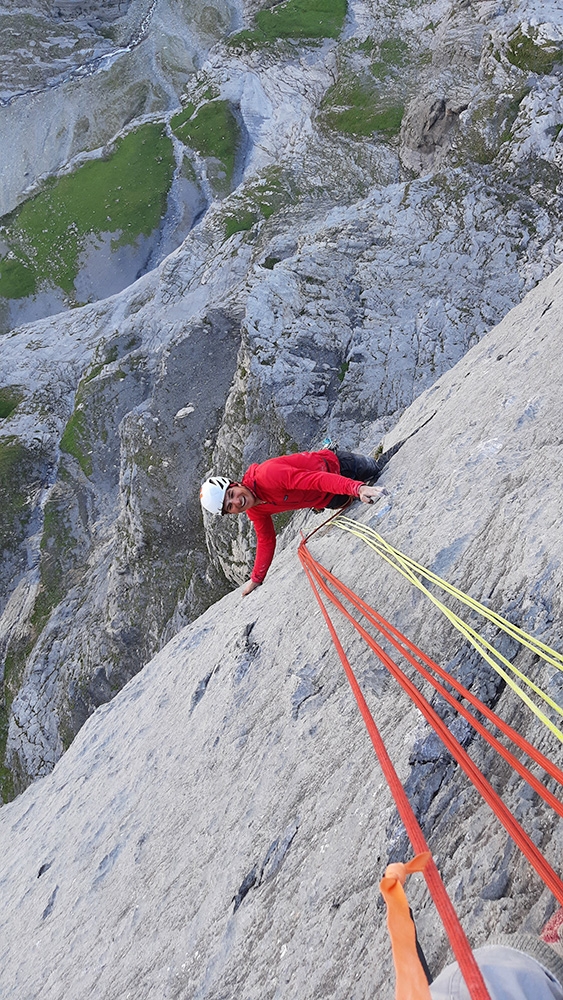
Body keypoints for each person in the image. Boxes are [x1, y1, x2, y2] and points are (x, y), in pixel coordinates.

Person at [200, 446, 398, 595]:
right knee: (365, 491)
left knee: (377, 469)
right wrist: (256, 579)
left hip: (338, 467)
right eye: (229, 506)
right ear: (231, 513)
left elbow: (317, 480)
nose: (236, 501)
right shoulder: (255, 510)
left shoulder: (268, 475)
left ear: (236, 484)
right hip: (331, 498)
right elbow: (266, 539)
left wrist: (358, 488)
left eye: (232, 493)